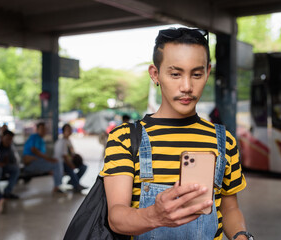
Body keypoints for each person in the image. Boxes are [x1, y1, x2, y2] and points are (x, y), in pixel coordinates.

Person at [100, 27, 252, 240]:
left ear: (207, 73)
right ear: (156, 74)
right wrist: (155, 216)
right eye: (175, 74)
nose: (187, 86)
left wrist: (242, 236)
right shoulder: (125, 138)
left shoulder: (224, 141)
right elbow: (116, 217)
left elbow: (229, 209)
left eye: (196, 74)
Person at [22, 122, 64, 194]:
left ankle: (57, 185)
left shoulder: (41, 140)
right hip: (31, 164)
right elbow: (34, 150)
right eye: (42, 129)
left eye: (45, 129)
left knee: (57, 163)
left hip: (38, 163)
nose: (44, 131)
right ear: (37, 130)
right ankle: (56, 187)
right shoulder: (34, 137)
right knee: (56, 164)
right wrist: (48, 159)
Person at [53, 123, 87, 193]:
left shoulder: (68, 141)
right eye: (67, 130)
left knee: (83, 167)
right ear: (63, 131)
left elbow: (71, 154)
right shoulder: (61, 142)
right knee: (70, 168)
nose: (69, 131)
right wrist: (71, 165)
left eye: (70, 130)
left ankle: (73, 182)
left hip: (68, 161)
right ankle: (76, 185)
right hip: (61, 163)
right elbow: (64, 157)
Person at [0, 130, 20, 199]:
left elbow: (12, 161)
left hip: (3, 166)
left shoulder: (10, 148)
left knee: (15, 169)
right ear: (2, 138)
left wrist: (5, 162)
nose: (9, 141)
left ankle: (7, 192)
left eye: (10, 139)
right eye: (7, 139)